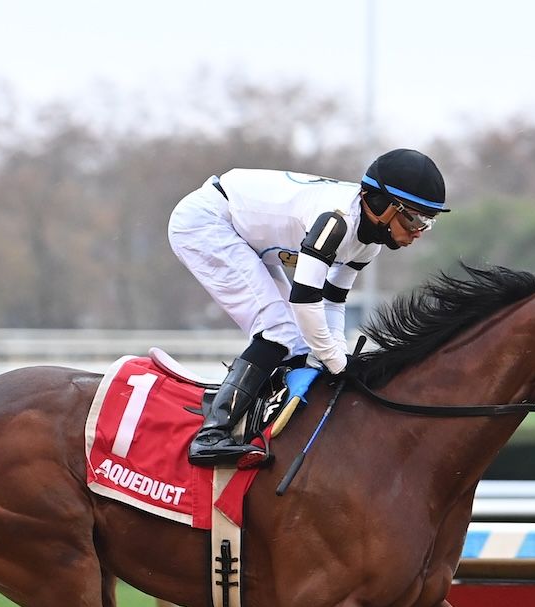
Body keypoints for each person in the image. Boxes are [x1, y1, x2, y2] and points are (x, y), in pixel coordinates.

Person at [168, 148, 448, 467]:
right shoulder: (336, 221)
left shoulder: (370, 243)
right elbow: (304, 300)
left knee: (299, 342)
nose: (417, 232)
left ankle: (261, 424)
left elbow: (332, 301)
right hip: (207, 222)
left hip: (244, 234)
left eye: (428, 223)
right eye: (413, 217)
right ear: (382, 205)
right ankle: (211, 435)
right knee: (280, 332)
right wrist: (337, 362)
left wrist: (337, 356)